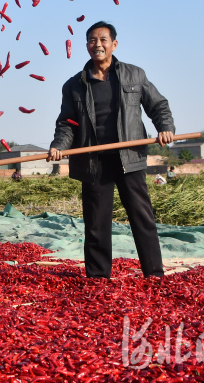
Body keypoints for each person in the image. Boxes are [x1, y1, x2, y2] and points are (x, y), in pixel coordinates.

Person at [47, 21, 174, 279]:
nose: (98, 45)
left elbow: (157, 105)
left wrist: (165, 127)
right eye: (92, 41)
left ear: (114, 44)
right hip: (93, 161)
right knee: (96, 223)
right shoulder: (74, 85)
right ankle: (97, 278)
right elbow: (67, 123)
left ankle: (155, 274)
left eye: (103, 40)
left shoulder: (133, 75)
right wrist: (59, 146)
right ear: (86, 46)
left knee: (142, 217)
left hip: (129, 157)